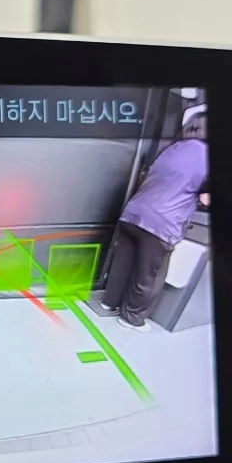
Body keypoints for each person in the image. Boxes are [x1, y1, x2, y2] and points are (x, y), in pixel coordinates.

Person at [93, 107, 207, 329]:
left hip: (133, 213)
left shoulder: (171, 149)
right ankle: (132, 319)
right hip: (161, 223)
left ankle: (109, 303)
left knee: (123, 263)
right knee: (149, 275)